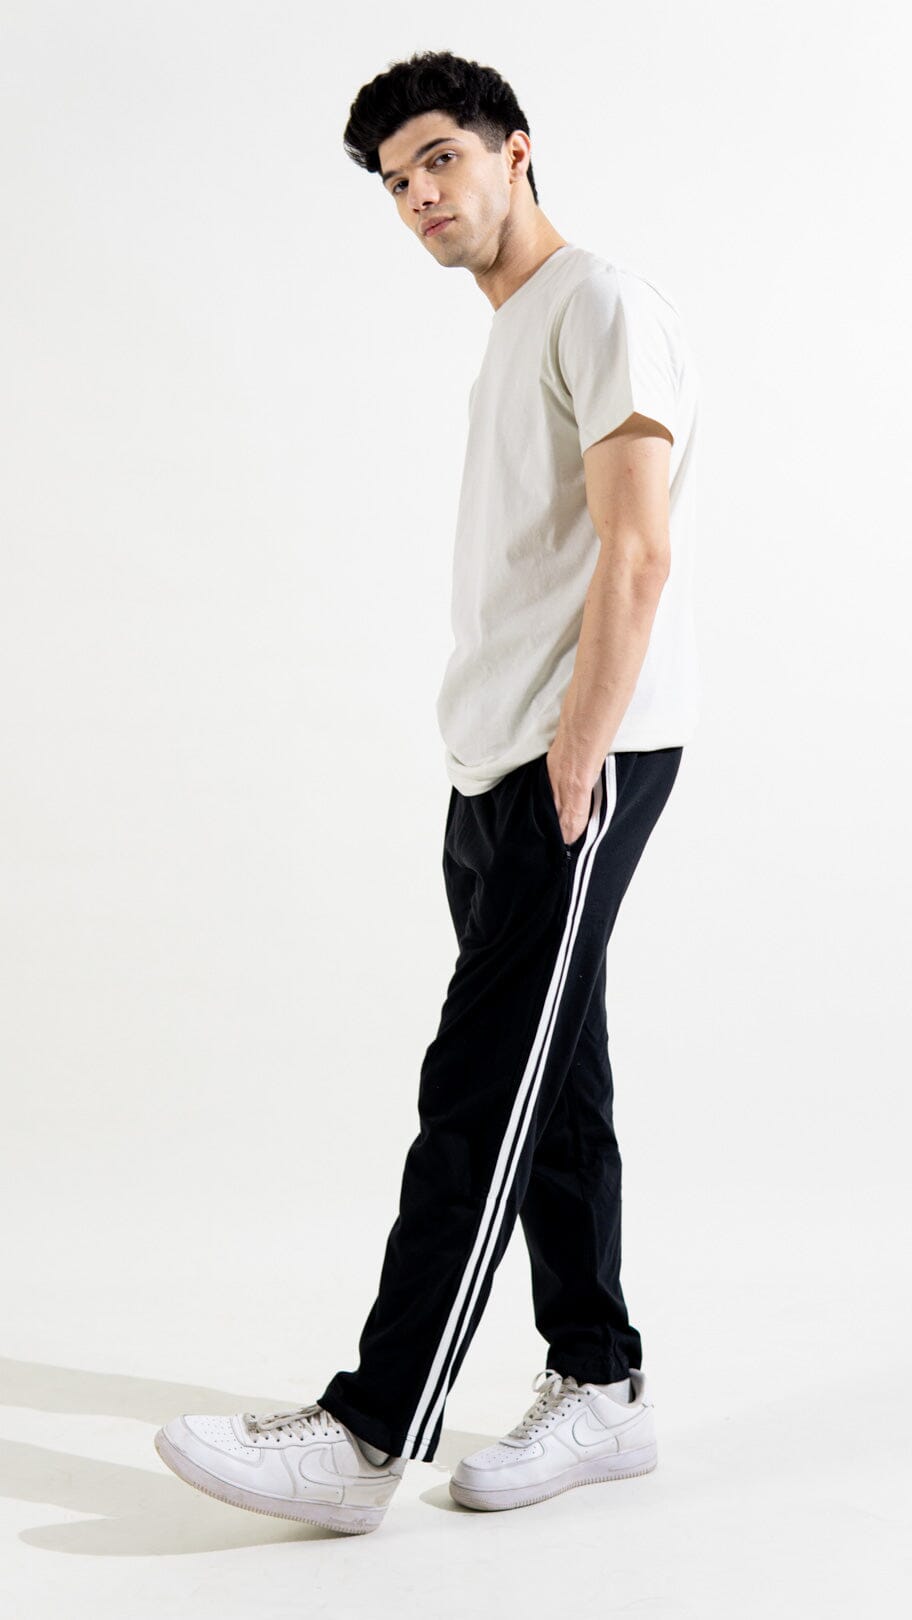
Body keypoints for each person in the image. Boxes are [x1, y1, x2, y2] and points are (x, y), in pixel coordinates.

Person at [154, 48, 701, 1536]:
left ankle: (366, 1434)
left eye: (440, 159)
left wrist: (576, 753)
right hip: (500, 757)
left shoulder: (598, 302)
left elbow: (640, 548)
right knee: (552, 1074)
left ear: (517, 149)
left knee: (477, 1086)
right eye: (396, 183)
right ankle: (602, 1382)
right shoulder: (518, 327)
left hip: (573, 757)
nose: (419, 199)